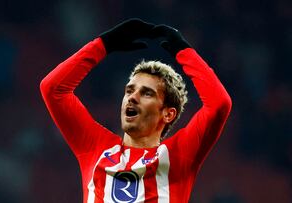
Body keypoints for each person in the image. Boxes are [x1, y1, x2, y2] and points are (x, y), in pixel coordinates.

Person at [40, 19, 232, 203]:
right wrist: (103, 45)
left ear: (168, 114)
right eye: (129, 90)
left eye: (146, 93)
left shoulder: (178, 156)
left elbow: (219, 103)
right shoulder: (96, 148)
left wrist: (183, 51)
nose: (132, 97)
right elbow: (53, 89)